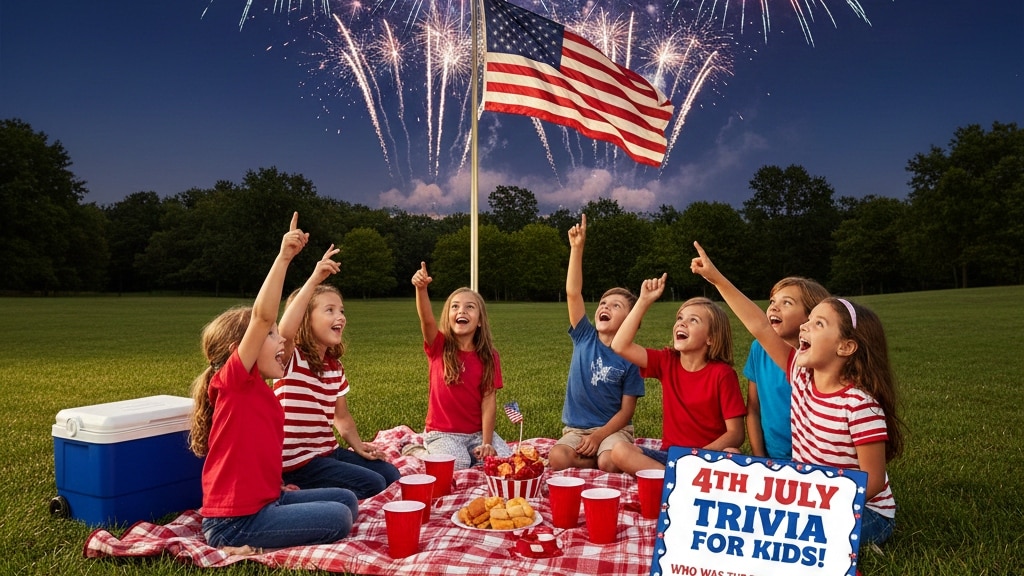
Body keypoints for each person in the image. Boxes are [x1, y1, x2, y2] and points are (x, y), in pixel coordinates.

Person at [690, 241, 904, 545]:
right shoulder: (800, 377)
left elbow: (873, 482)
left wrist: (818, 503)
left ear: (846, 347)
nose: (804, 327)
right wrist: (716, 278)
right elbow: (759, 326)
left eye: (818, 323)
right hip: (810, 496)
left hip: (863, 511)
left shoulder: (860, 406)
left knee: (785, 533)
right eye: (808, 320)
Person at [188, 213, 358, 552]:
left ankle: (275, 518)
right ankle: (246, 546)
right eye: (270, 335)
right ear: (240, 349)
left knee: (347, 499)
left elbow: (257, 455)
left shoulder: (260, 392)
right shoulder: (234, 383)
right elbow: (262, 315)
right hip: (234, 524)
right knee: (338, 518)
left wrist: (276, 488)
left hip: (266, 502)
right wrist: (284, 258)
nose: (281, 340)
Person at [273, 247, 401, 500]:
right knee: (374, 483)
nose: (340, 317)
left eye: (341, 310)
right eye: (329, 310)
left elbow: (341, 417)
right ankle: (296, 494)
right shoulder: (291, 359)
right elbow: (285, 331)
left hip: (327, 453)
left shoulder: (335, 367)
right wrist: (314, 280)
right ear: (305, 319)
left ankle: (326, 489)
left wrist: (359, 447)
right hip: (296, 465)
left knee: (390, 474)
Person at [609, 273, 746, 475]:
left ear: (711, 338)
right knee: (620, 451)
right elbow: (620, 345)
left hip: (707, 458)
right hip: (670, 457)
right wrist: (644, 300)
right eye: (680, 318)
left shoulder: (723, 374)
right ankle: (676, 479)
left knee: (733, 453)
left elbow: (736, 434)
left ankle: (666, 479)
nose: (682, 323)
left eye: (693, 320)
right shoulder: (667, 361)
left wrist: (697, 457)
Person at [549, 214, 645, 472]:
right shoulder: (584, 336)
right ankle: (591, 459)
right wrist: (576, 249)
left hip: (613, 430)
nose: (605, 307)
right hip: (576, 429)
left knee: (609, 460)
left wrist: (599, 436)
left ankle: (597, 459)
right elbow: (573, 292)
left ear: (631, 320)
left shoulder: (631, 358)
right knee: (557, 457)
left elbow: (626, 412)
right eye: (603, 303)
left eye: (616, 306)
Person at [409, 261, 513, 470]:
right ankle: (419, 451)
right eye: (455, 306)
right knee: (459, 463)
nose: (461, 310)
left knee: (502, 462)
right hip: (442, 433)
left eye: (469, 307)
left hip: (476, 434)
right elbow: (427, 320)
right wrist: (421, 289)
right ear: (448, 316)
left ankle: (474, 453)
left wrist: (486, 442)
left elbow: (488, 401)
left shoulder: (489, 356)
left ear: (480, 320)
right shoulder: (438, 345)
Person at [744, 277, 829, 460]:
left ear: (811, 317)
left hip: (814, 460)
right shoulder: (758, 349)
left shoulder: (819, 359)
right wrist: (760, 459)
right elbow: (753, 409)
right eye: (772, 301)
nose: (774, 308)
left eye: (787, 303)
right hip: (772, 458)